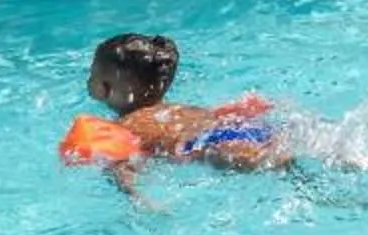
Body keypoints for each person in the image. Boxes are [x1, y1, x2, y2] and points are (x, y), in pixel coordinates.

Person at [61, 32, 290, 194]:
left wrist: (139, 200)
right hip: (245, 133)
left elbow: (123, 169)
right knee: (287, 166)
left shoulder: (126, 126)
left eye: (92, 75)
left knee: (266, 164)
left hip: (212, 146)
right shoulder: (179, 110)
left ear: (104, 88)